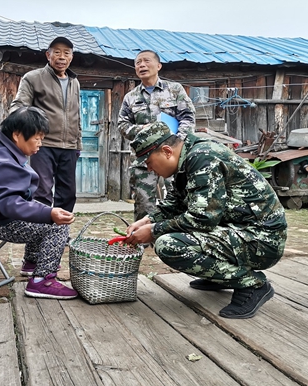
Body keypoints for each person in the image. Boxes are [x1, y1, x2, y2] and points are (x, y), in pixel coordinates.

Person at [123, 122, 287, 319]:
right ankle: (219, 276)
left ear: (166, 151)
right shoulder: (188, 157)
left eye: (149, 162)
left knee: (169, 245)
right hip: (240, 231)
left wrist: (153, 230)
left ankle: (252, 284)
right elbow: (175, 203)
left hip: (262, 240)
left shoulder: (202, 157)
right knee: (169, 234)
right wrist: (147, 220)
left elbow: (203, 218)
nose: (150, 169)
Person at [0, 106, 78, 300]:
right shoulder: (1, 159)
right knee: (57, 226)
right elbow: (10, 203)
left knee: (40, 212)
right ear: (17, 135)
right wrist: (48, 214)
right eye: (37, 138)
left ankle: (32, 263)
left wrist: (44, 211)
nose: (40, 144)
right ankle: (42, 281)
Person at [118, 49, 196, 221]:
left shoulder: (175, 90)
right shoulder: (130, 97)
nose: (142, 65)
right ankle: (143, 235)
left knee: (178, 199)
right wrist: (144, 130)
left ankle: (175, 233)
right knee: (143, 203)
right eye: (138, 63)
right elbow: (122, 125)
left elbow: (188, 117)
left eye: (146, 61)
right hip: (144, 159)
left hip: (172, 156)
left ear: (159, 66)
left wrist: (177, 142)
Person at [9, 36, 81, 214]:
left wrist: (78, 144)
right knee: (41, 191)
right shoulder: (33, 78)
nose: (62, 57)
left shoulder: (74, 82)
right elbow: (18, 107)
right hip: (43, 145)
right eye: (57, 52)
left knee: (68, 194)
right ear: (48, 55)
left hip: (69, 146)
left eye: (66, 53)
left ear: (71, 57)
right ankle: (40, 228)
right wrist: (29, 133)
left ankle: (61, 229)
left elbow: (76, 114)